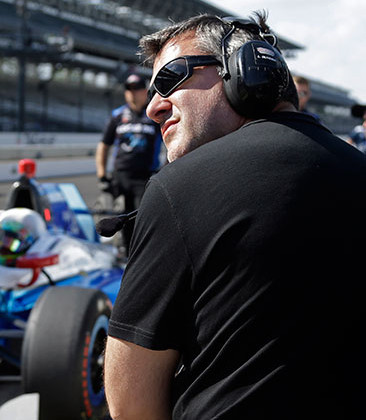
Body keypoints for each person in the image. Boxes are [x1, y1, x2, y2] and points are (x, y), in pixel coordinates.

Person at [103, 12, 366, 419]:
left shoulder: (178, 187)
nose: (155, 107)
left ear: (245, 70)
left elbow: (130, 404)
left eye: (170, 79)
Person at [95, 73, 162, 256]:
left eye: (137, 89)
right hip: (121, 176)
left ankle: (145, 253)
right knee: (121, 216)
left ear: (145, 91)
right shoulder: (117, 116)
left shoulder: (154, 113)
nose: (133, 93)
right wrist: (102, 175)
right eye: (129, 90)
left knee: (144, 217)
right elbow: (104, 146)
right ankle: (125, 253)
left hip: (146, 176)